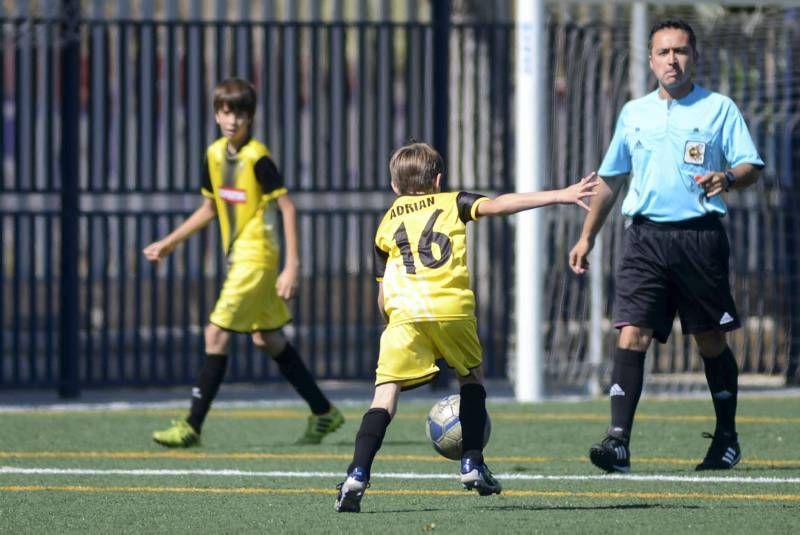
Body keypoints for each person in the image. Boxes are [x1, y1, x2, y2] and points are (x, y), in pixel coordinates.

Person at [334, 141, 597, 512]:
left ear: (394, 187)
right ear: (438, 180)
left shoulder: (386, 223)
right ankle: (472, 461)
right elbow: (501, 204)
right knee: (471, 378)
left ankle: (356, 474)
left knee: (385, 395)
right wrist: (561, 194)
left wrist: (391, 324)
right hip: (452, 308)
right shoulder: (452, 201)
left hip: (405, 315)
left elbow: (382, 294)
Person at [568, 19, 764, 473]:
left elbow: (751, 164)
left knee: (709, 339)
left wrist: (729, 177)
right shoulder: (634, 113)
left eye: (680, 51)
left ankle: (727, 438)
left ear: (693, 57)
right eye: (664, 52)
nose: (672, 59)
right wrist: (586, 236)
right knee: (630, 334)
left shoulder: (719, 108)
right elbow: (612, 178)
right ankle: (618, 442)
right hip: (645, 239)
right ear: (651, 60)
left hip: (700, 238)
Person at [143, 78, 344, 447]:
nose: (232, 119)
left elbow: (288, 208)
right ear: (216, 114)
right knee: (266, 337)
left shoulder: (258, 158)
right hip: (240, 258)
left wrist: (292, 265)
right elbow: (209, 209)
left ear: (251, 117)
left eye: (240, 113)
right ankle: (324, 412)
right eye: (225, 111)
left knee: (215, 333)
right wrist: (170, 243)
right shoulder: (214, 155)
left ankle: (191, 426)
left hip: (257, 257)